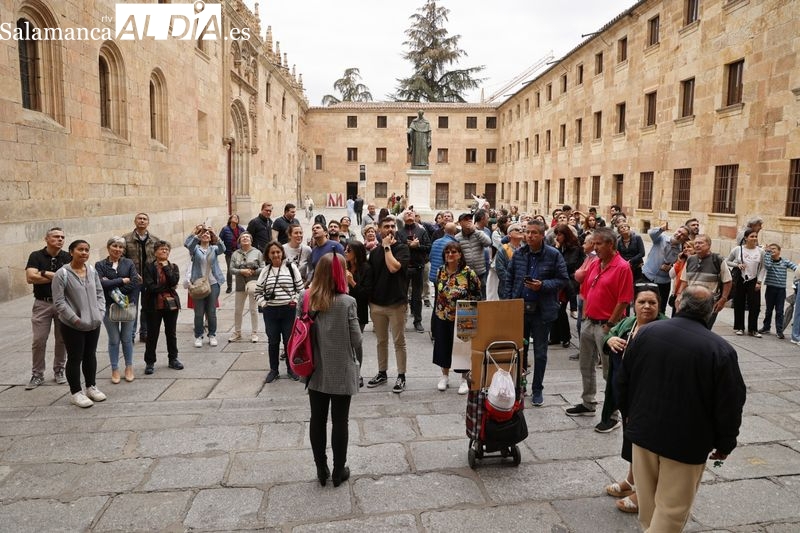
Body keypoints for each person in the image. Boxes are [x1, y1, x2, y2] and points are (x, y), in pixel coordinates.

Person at [617, 285, 746, 532]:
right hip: (686, 443)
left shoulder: (646, 333)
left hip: (643, 432)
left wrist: (629, 417)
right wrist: (726, 442)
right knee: (671, 511)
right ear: (710, 311)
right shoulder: (719, 350)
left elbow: (623, 380)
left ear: (678, 304)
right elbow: (730, 403)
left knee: (648, 506)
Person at [602, 284, 667, 515]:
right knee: (631, 438)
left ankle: (644, 492)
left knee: (646, 445)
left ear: (659, 305)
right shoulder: (628, 324)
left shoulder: (664, 328)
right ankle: (631, 481)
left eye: (652, 302)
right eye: (642, 302)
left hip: (649, 396)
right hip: (626, 393)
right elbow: (609, 333)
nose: (647, 307)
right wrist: (610, 341)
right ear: (634, 305)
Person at [304, 253, 361, 487]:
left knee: (317, 419)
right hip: (341, 369)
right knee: (340, 421)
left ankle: (321, 468)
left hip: (315, 368)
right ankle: (338, 471)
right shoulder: (347, 302)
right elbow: (356, 339)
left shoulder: (306, 297)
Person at [566, 227, 633, 420]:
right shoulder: (596, 262)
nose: (594, 248)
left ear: (610, 244)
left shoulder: (622, 267)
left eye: (598, 244)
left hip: (607, 326)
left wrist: (610, 324)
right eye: (593, 243)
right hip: (590, 322)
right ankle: (588, 403)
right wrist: (586, 315)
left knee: (609, 371)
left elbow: (624, 300)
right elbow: (586, 289)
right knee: (585, 365)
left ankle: (612, 412)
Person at [502, 219, 569, 406]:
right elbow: (510, 278)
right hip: (520, 310)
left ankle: (537, 388)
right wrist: (508, 302)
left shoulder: (553, 255)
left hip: (542, 311)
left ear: (542, 235)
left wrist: (543, 285)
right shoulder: (519, 254)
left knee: (540, 353)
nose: (529, 236)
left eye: (534, 233)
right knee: (519, 351)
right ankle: (519, 386)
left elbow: (563, 279)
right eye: (527, 232)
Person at [52, 240, 106, 408]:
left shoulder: (91, 271)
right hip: (72, 325)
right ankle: (76, 392)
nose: (84, 253)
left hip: (93, 322)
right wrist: (75, 319)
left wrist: (100, 313)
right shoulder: (62, 274)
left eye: (86, 250)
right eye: (80, 250)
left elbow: (99, 293)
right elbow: (59, 302)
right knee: (75, 358)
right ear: (71, 252)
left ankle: (91, 387)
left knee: (90, 355)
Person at [365, 216, 411, 393]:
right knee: (381, 341)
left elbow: (393, 267)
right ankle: (382, 372)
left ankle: (401, 375)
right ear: (379, 229)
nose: (390, 229)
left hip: (396, 304)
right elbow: (371, 278)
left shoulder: (402, 249)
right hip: (377, 305)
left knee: (399, 342)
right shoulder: (375, 253)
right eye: (386, 226)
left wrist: (386, 247)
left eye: (393, 226)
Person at [24, 227, 71, 389]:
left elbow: (69, 279)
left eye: (62, 237)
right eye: (56, 236)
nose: (60, 239)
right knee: (39, 340)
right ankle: (37, 374)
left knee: (62, 339)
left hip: (63, 303)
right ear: (46, 239)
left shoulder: (67, 256)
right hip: (42, 303)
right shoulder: (36, 256)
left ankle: (59, 370)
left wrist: (43, 273)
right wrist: (57, 276)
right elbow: (30, 278)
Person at [432, 242, 481, 394]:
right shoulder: (440, 270)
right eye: (447, 252)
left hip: (465, 314)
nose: (450, 255)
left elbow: (478, 293)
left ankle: (464, 379)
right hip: (443, 313)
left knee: (464, 348)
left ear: (460, 255)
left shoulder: (468, 272)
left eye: (453, 252)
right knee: (443, 345)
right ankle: (445, 376)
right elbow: (438, 292)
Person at [255, 241, 304, 383]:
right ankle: (274, 370)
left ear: (282, 253)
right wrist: (264, 304)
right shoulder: (265, 271)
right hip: (271, 312)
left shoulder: (291, 268)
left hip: (288, 311)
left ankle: (291, 369)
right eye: (272, 253)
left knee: (289, 341)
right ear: (268, 255)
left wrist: (294, 300)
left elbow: (300, 290)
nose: (276, 255)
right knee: (273, 341)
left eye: (278, 252)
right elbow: (258, 292)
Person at [96, 236, 140, 384]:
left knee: (127, 338)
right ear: (109, 247)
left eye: (121, 247)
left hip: (128, 304)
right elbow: (100, 284)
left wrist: (113, 285)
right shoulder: (100, 265)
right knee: (114, 339)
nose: (118, 249)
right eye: (115, 246)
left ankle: (129, 367)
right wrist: (121, 280)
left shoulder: (128, 263)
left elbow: (134, 282)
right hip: (109, 306)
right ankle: (115, 369)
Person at [142, 240, 183, 375]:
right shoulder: (149, 267)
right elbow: (150, 286)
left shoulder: (173, 267)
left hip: (171, 305)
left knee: (171, 333)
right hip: (154, 305)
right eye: (161, 249)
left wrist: (166, 268)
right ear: (155, 252)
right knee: (152, 334)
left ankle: (173, 359)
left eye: (166, 249)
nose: (164, 251)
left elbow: (174, 281)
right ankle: (150, 362)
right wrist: (167, 287)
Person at [675, 234, 732, 329]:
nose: (697, 245)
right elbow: (684, 280)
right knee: (687, 328)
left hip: (709, 302)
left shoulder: (717, 260)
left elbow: (727, 281)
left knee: (704, 329)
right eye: (696, 243)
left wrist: (723, 299)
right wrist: (679, 296)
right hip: (690, 301)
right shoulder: (690, 260)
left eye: (701, 243)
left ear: (709, 245)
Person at [185, 224, 226, 347]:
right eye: (204, 233)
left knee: (211, 311)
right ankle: (198, 336)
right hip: (198, 283)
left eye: (208, 234)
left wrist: (215, 234)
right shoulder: (195, 249)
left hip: (213, 283)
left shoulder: (214, 249)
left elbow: (223, 248)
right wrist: (197, 233)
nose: (206, 235)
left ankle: (212, 335)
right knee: (199, 312)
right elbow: (188, 244)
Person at [123, 213, 159, 343]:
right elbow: (122, 258)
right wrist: (132, 273)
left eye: (145, 219)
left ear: (148, 222)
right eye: (140, 218)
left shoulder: (155, 240)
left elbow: (158, 259)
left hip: (149, 280)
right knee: (132, 307)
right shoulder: (126, 239)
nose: (142, 221)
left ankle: (145, 333)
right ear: (135, 221)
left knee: (147, 307)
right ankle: (131, 335)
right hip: (133, 279)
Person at [641, 222, 690, 312]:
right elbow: (651, 233)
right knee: (641, 304)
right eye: (679, 231)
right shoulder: (661, 238)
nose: (679, 235)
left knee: (660, 307)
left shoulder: (681, 250)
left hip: (663, 282)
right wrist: (661, 228)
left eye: (683, 235)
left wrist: (671, 267)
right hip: (647, 276)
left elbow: (678, 266)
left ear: (685, 239)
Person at [396, 209, 431, 333]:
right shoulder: (399, 233)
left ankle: (418, 321)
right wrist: (407, 245)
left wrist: (418, 246)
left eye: (411, 213)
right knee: (402, 296)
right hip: (404, 269)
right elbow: (396, 248)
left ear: (415, 216)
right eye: (406, 213)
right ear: (403, 218)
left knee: (417, 296)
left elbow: (428, 247)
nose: (409, 214)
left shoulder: (421, 231)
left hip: (418, 268)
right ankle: (401, 321)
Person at [727, 228, 766, 337]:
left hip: (754, 280)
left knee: (755, 305)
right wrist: (737, 265)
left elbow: (763, 267)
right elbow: (727, 261)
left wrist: (759, 281)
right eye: (752, 236)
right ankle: (739, 327)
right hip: (740, 279)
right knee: (739, 303)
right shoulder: (737, 250)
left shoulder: (760, 251)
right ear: (745, 238)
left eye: (756, 236)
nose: (754, 238)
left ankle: (753, 329)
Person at [550, 224, 584, 348]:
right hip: (558, 282)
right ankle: (555, 337)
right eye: (556, 235)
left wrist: (557, 250)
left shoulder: (574, 247)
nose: (557, 237)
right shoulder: (557, 247)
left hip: (569, 282)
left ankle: (565, 337)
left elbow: (569, 264)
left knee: (560, 309)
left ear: (566, 235)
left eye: (559, 235)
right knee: (556, 308)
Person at [229, 232, 264, 343]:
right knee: (238, 310)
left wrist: (252, 271)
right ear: (239, 240)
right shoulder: (235, 254)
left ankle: (254, 333)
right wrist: (241, 271)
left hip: (253, 281)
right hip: (240, 284)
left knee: (253, 309)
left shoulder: (257, 252)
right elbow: (231, 269)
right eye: (243, 237)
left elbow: (263, 268)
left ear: (251, 240)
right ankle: (237, 332)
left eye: (247, 237)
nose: (245, 238)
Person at [760, 243, 797, 338]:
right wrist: (767, 253)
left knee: (779, 311)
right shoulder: (769, 261)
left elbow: (795, 268)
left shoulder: (785, 262)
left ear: (779, 251)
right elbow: (767, 266)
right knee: (768, 310)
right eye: (770, 249)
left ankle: (779, 330)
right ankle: (766, 327)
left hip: (781, 290)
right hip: (770, 289)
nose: (772, 250)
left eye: (774, 249)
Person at [455, 212, 492, 299]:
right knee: (465, 296)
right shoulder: (457, 237)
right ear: (460, 223)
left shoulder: (479, 233)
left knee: (481, 296)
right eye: (466, 220)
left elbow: (488, 243)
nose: (468, 221)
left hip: (480, 272)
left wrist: (475, 230)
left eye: (470, 219)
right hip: (464, 273)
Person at [219, 214, 246, 293]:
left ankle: (241, 285)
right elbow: (220, 240)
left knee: (241, 268)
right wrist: (223, 249)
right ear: (230, 219)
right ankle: (229, 286)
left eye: (237, 218)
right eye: (234, 217)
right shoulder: (225, 229)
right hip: (229, 253)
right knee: (230, 270)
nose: (236, 218)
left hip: (239, 252)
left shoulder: (240, 229)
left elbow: (245, 237)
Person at [668, 240, 695, 316]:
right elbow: (671, 275)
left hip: (689, 295)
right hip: (678, 294)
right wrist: (678, 261)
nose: (686, 249)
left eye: (689, 247)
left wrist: (690, 258)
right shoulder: (682, 260)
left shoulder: (696, 262)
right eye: (684, 247)